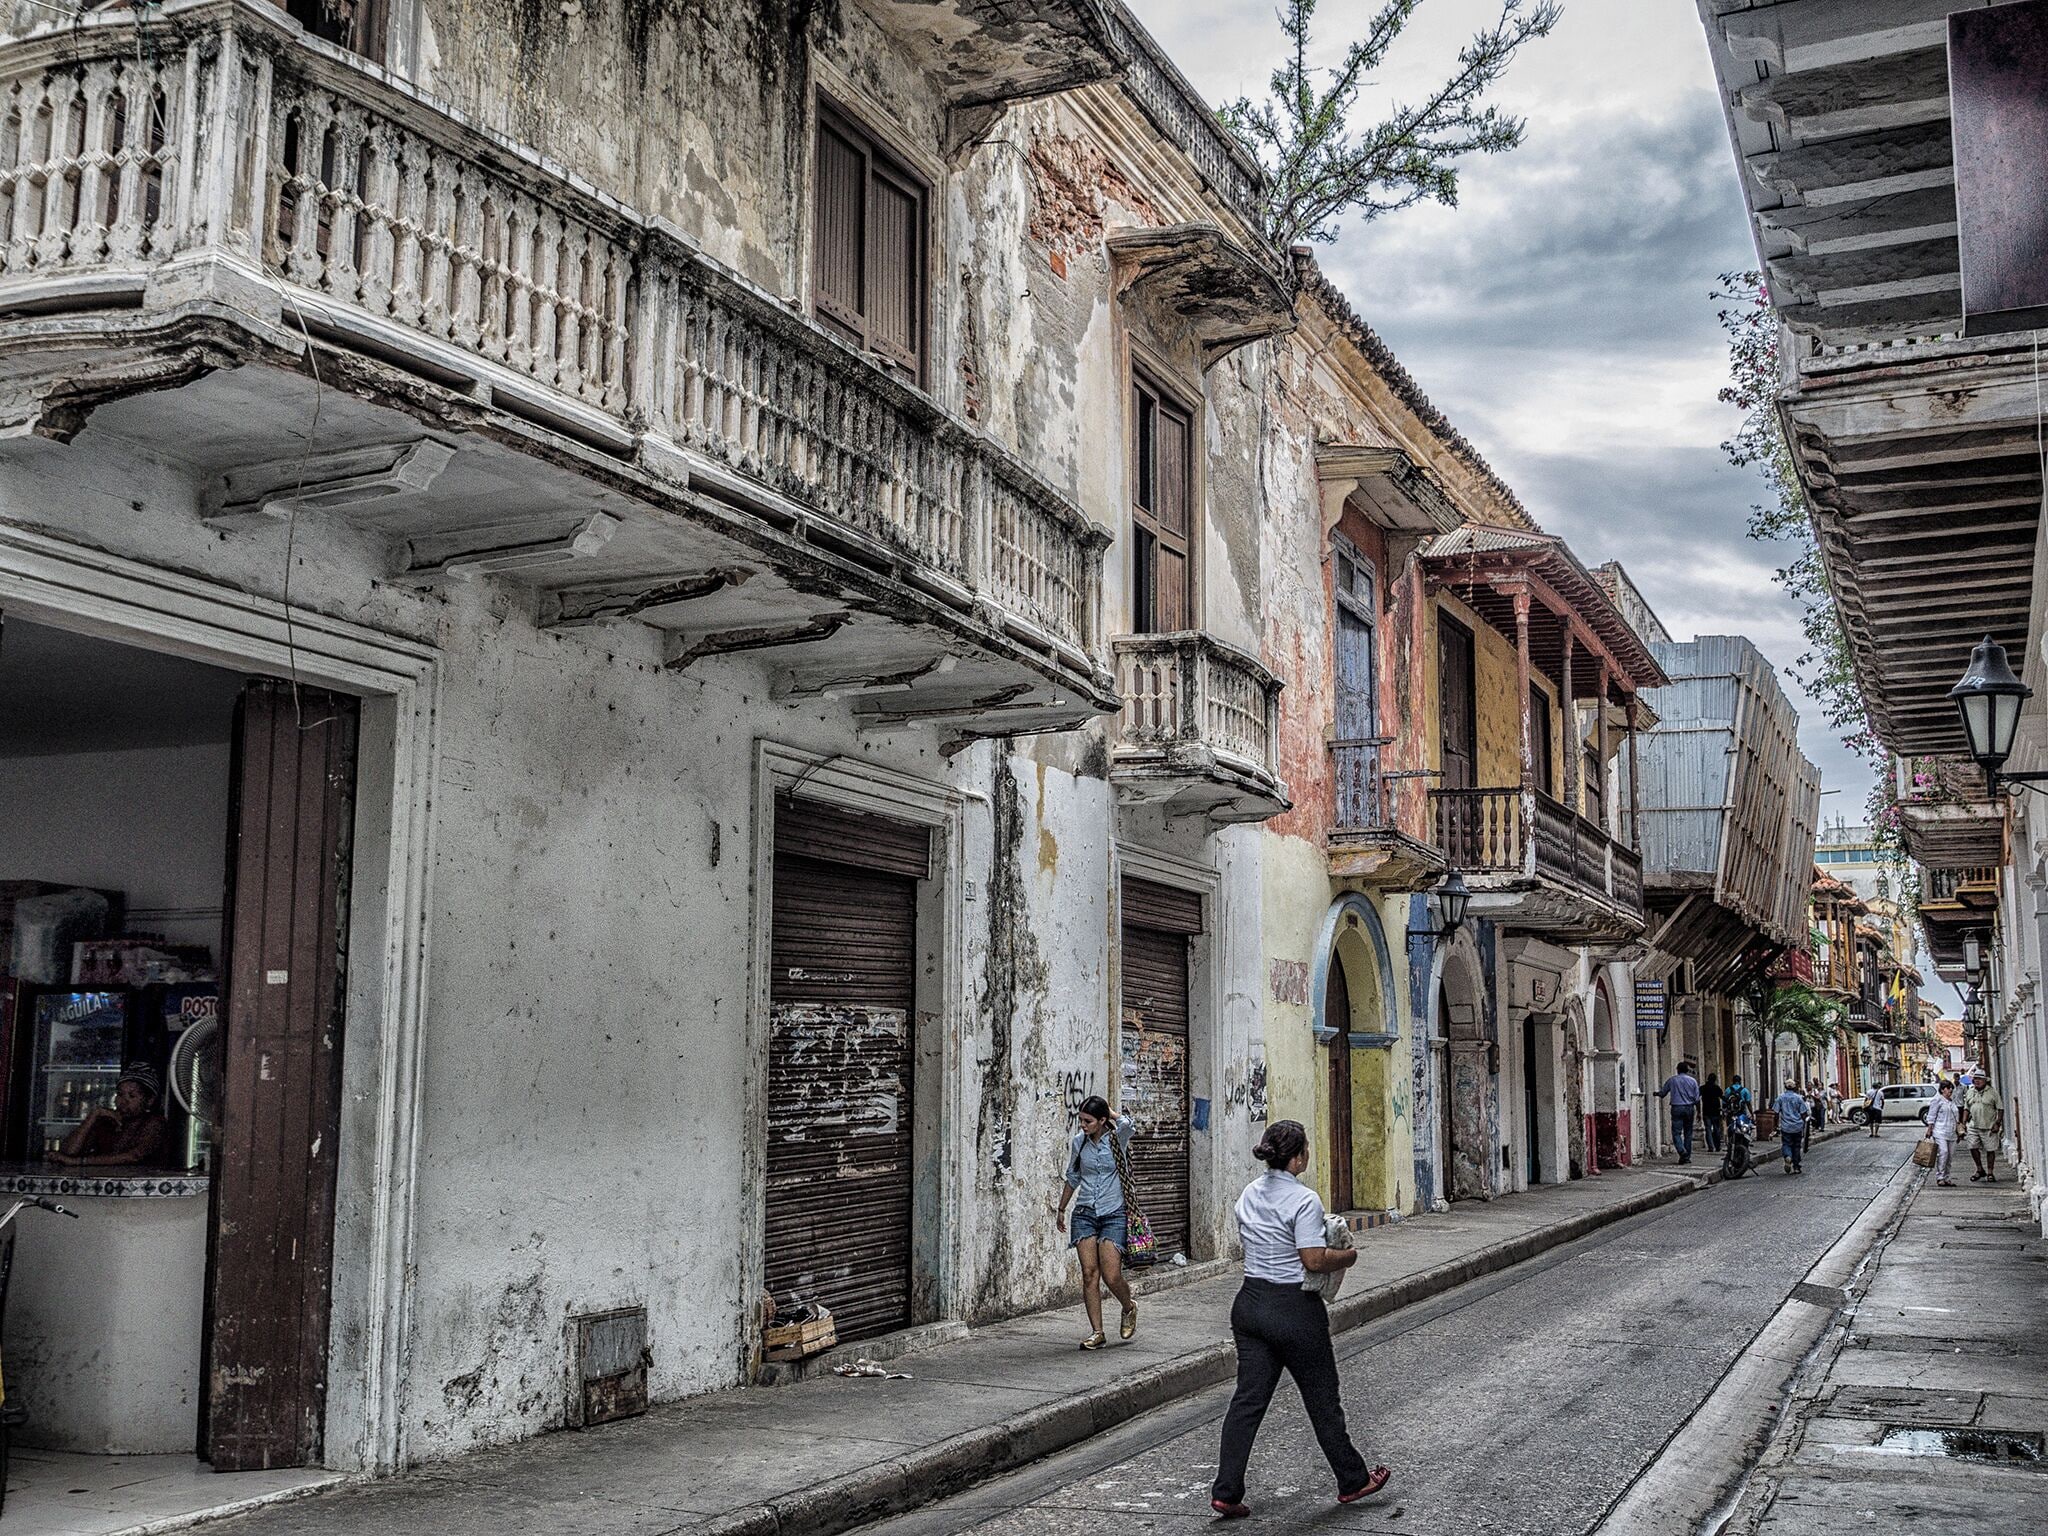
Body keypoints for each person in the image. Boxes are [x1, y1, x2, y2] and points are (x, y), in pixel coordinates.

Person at [1210, 1120, 1389, 1519]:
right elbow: (1314, 1259)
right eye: (1305, 1149)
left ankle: (1226, 1490)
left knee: (1247, 1401)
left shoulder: (1249, 1192)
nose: (1307, 1155)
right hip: (1294, 1308)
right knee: (1323, 1399)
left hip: (1250, 1303)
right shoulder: (1305, 1200)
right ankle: (1353, 1480)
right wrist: (1349, 1256)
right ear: (1297, 1158)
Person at [1056, 1095, 1137, 1349]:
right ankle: (1097, 1332)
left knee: (1111, 1276)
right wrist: (1061, 1208)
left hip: (1113, 1214)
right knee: (1090, 1274)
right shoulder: (1079, 1143)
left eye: (1088, 1121)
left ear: (1102, 1121)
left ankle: (1128, 1306)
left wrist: (1111, 1112)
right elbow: (1073, 1177)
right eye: (1080, 1120)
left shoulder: (1117, 1138)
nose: (1082, 1125)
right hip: (1085, 1214)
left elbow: (1129, 1124)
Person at [50, 1062, 168, 1168]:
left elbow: (133, 1156)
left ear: (149, 1100)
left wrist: (79, 1162)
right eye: (120, 1094)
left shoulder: (155, 1123)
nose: (123, 1102)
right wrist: (93, 1115)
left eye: (132, 1096)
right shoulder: (108, 1122)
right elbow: (68, 1152)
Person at [1657, 1060, 1702, 1165]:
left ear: (1677, 1070)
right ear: (1687, 1070)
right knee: (1688, 1133)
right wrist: (1699, 1112)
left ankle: (1682, 1151)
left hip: (1677, 1108)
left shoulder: (1672, 1080)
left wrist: (1656, 1094)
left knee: (1676, 1132)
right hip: (1689, 1108)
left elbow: (1663, 1093)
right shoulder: (1693, 1081)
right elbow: (1697, 1099)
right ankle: (1687, 1156)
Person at [1963, 1072, 2005, 1184]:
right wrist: (1963, 1123)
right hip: (1973, 1125)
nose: (1977, 1081)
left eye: (1980, 1079)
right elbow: (1966, 1108)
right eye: (1975, 1079)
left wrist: (1997, 1123)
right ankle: (1979, 1169)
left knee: (1990, 1149)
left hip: (1988, 1126)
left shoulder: (1992, 1092)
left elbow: (2000, 1109)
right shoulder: (1970, 1092)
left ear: (1985, 1081)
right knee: (1972, 1146)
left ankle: (1990, 1172)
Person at [1924, 1079, 1960, 1187]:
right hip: (1940, 1130)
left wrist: (1958, 1131)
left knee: (1950, 1156)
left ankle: (1947, 1177)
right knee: (1943, 1153)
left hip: (1952, 1132)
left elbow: (1956, 1117)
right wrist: (1929, 1129)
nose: (1950, 1090)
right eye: (1948, 1088)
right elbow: (1931, 1115)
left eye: (1951, 1088)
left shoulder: (1952, 1101)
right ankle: (1940, 1177)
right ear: (1942, 1089)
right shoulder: (1937, 1100)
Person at [1773, 1079, 1809, 1173]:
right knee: (1796, 1146)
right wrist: (1805, 1124)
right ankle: (1796, 1167)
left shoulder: (1780, 1098)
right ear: (1794, 1087)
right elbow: (1803, 1113)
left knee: (1786, 1144)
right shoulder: (1798, 1098)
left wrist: (1775, 1126)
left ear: (1785, 1087)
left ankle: (1788, 1156)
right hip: (1797, 1126)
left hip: (1786, 1126)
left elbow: (1776, 1113)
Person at [1701, 1073, 1724, 1154]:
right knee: (1716, 1129)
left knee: (1708, 1129)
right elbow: (1722, 1096)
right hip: (1715, 1111)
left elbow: (1697, 1096)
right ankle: (1717, 1146)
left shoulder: (1703, 1088)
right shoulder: (1716, 1088)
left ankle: (1711, 1146)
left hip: (1706, 1111)